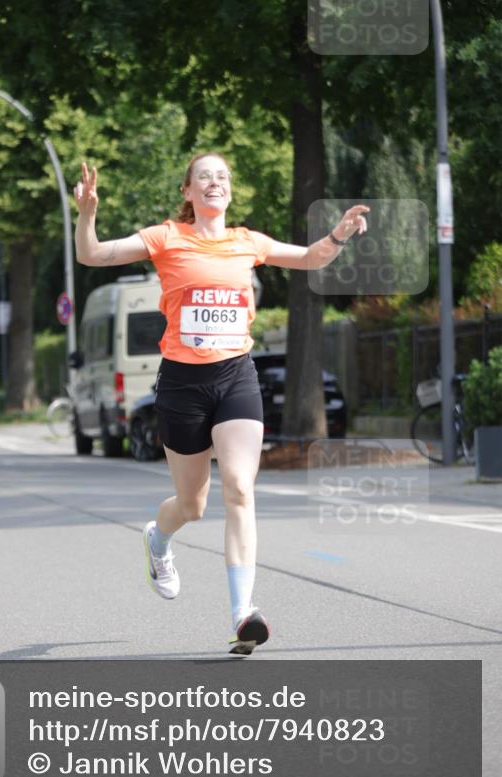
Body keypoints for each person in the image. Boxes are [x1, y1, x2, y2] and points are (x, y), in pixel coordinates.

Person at [74, 151, 368, 655]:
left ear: (229, 191)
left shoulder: (247, 242)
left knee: (239, 488)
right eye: (204, 177)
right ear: (188, 192)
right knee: (191, 505)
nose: (215, 183)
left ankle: (242, 612)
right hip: (182, 384)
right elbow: (93, 255)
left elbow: (311, 258)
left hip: (235, 376)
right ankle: (158, 540)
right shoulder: (165, 237)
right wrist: (86, 214)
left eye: (222, 177)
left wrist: (338, 234)